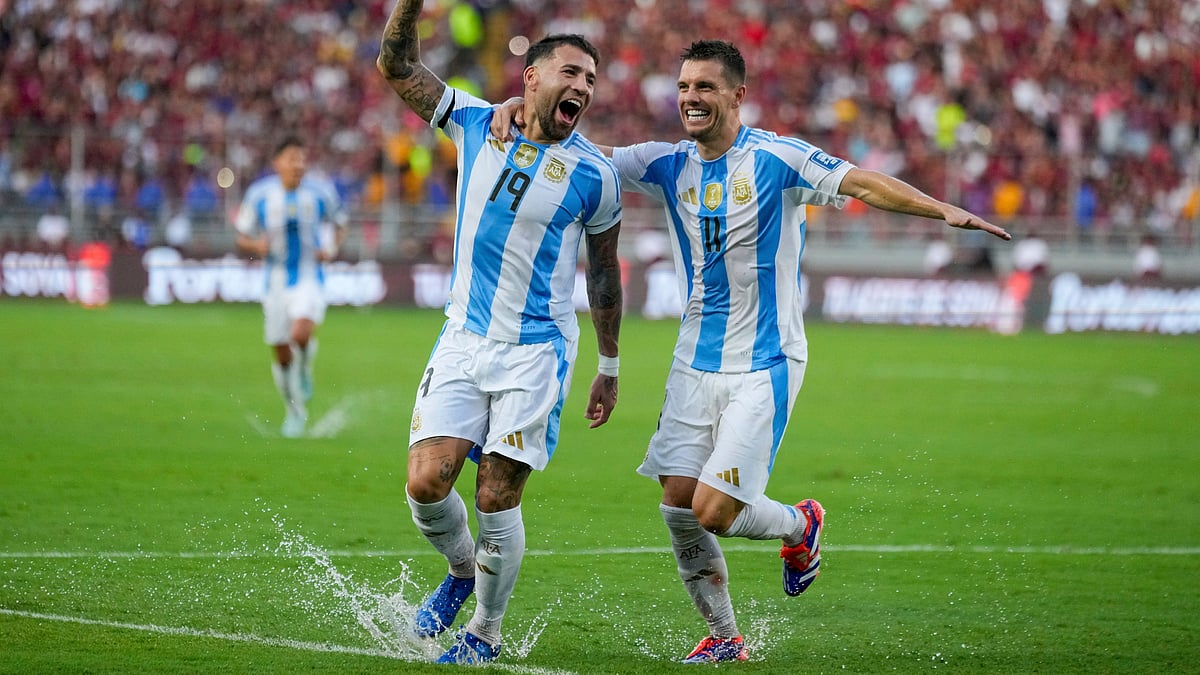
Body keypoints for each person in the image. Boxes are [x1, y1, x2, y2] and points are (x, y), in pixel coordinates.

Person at [492, 39, 1011, 664]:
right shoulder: (667, 163)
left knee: (713, 511)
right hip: (693, 360)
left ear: (737, 95)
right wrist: (515, 110)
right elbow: (581, 153)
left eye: (705, 88)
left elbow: (861, 182)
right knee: (678, 507)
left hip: (764, 363)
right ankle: (724, 635)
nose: (691, 99)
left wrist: (942, 210)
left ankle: (800, 524)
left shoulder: (776, 158)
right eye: (684, 88)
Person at [376, 1, 624, 665]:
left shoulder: (595, 176)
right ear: (532, 78)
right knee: (427, 483)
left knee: (495, 490)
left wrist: (611, 363)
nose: (583, 86)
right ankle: (462, 571)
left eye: (592, 80)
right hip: (463, 337)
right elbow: (396, 66)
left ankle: (484, 631)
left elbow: (603, 276)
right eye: (571, 71)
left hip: (537, 351)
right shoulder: (478, 120)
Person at [234, 135, 348, 438]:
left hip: (310, 277)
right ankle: (294, 409)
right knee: (281, 352)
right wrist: (256, 245)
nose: (298, 164)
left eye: (302, 158)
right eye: (292, 158)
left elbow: (341, 223)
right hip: (274, 283)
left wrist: (331, 250)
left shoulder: (320, 192)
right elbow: (241, 235)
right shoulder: (259, 195)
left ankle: (306, 365)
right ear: (278, 163)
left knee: (300, 333)